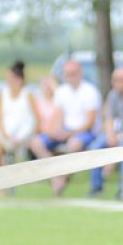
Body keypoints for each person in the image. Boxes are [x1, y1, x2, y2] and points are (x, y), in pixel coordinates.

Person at [28, 58, 101, 196]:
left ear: (80, 73)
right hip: (65, 130)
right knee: (36, 143)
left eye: (72, 73)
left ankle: (60, 177)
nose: (70, 77)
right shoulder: (61, 92)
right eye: (67, 74)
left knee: (74, 144)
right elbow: (58, 116)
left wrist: (69, 133)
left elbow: (90, 122)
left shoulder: (90, 91)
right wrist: (55, 131)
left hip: (85, 132)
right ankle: (57, 174)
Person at [87, 67, 123, 199]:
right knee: (95, 147)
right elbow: (108, 118)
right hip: (116, 132)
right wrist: (110, 136)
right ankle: (96, 187)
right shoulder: (113, 94)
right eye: (114, 80)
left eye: (120, 80)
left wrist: (118, 139)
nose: (116, 83)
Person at [0, 60, 40, 173]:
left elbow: (36, 119)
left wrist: (24, 136)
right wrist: (4, 133)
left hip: (23, 135)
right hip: (5, 134)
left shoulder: (28, 95)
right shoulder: (3, 94)